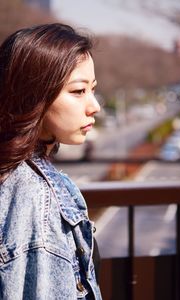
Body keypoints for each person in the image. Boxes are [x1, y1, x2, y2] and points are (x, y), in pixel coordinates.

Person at [0, 23, 102, 300]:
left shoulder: (15, 176)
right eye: (78, 91)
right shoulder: (35, 196)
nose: (95, 106)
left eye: (92, 89)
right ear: (35, 94)